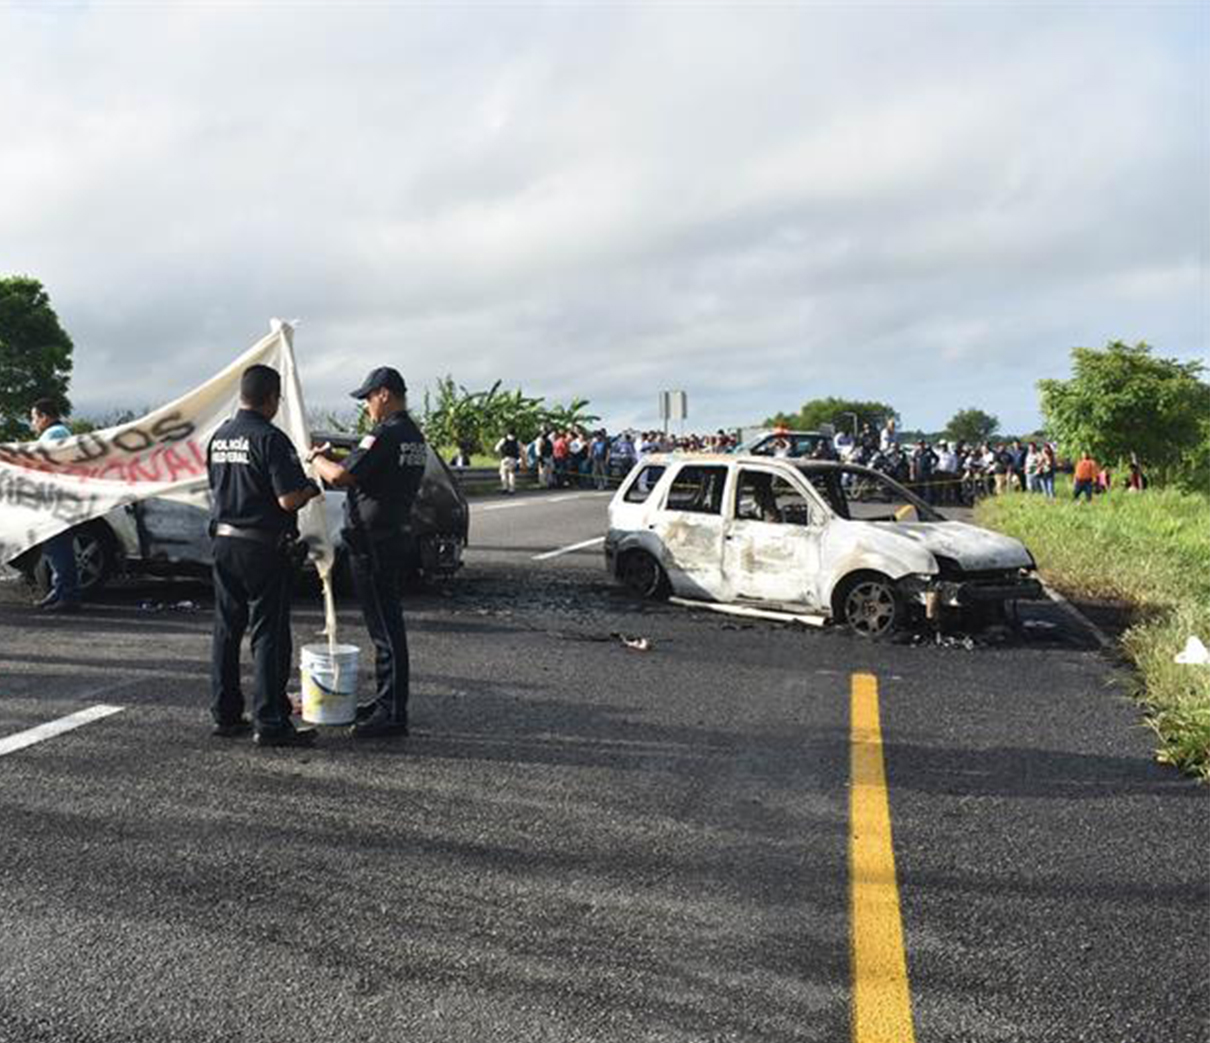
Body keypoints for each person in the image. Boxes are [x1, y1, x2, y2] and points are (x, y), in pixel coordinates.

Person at [309, 366, 426, 740]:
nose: (366, 407)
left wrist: (315, 460)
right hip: (391, 535)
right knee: (385, 626)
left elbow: (342, 477)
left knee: (385, 630)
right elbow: (363, 462)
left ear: (384, 395)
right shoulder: (411, 435)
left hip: (375, 541)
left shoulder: (386, 434)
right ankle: (386, 701)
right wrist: (337, 455)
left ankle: (392, 713)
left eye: (367, 399)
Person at [208, 365, 322, 746]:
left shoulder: (220, 437)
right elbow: (287, 498)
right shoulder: (271, 439)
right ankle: (271, 722)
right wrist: (310, 487)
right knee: (268, 634)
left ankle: (225, 714)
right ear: (272, 398)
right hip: (262, 547)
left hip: (224, 541)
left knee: (227, 629)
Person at [28, 398, 82, 613]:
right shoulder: (60, 433)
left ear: (44, 416)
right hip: (59, 501)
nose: (33, 423)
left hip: (57, 503)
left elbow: (38, 464)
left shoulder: (54, 435)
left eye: (34, 418)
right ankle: (59, 592)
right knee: (54, 549)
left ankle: (68, 596)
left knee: (59, 550)